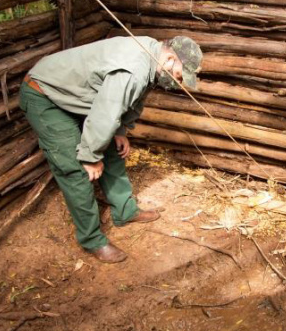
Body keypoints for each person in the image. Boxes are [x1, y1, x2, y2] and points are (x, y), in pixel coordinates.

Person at [20, 35, 203, 262]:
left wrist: (120, 131)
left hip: (77, 94)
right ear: (169, 58)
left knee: (112, 149)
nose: (179, 82)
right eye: (179, 75)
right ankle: (92, 240)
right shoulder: (134, 68)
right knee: (75, 168)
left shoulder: (152, 56)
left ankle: (125, 211)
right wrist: (90, 156)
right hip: (45, 94)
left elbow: (132, 100)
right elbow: (105, 114)